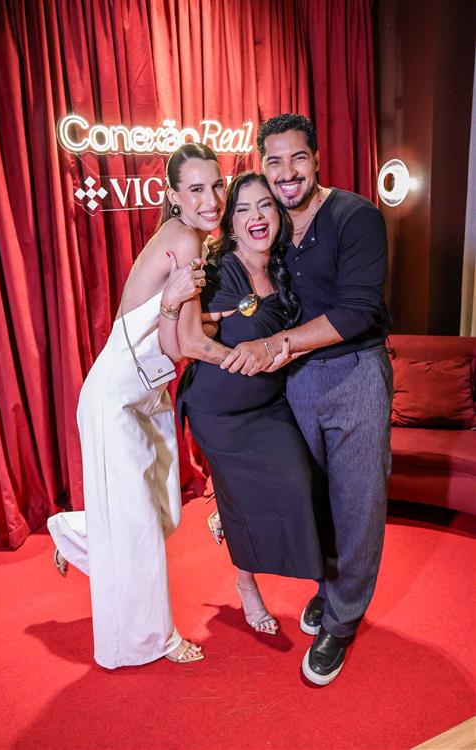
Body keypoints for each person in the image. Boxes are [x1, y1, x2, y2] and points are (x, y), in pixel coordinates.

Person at [220, 114, 393, 685]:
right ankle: (329, 587)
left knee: (358, 505)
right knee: (312, 498)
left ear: (316, 158)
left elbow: (357, 311)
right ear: (264, 167)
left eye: (298, 157)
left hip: (354, 374)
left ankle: (342, 621)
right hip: (293, 381)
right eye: (274, 161)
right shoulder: (271, 224)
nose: (287, 172)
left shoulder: (356, 216)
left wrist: (277, 344)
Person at [47, 143, 229, 669]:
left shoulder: (189, 238)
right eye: (196, 189)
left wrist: (216, 320)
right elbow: (181, 343)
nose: (212, 200)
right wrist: (250, 355)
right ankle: (153, 639)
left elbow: (176, 327)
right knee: (141, 525)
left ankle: (75, 531)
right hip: (116, 399)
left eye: (217, 185)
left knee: (159, 508)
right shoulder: (185, 241)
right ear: (174, 196)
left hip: (144, 394)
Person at [176, 171, 323, 635]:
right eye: (242, 209)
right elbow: (190, 336)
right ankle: (246, 584)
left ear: (278, 213)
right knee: (243, 497)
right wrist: (228, 348)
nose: (255, 216)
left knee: (298, 480)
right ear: (231, 222)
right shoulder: (220, 271)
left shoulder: (287, 267)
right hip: (217, 411)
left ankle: (228, 511)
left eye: (264, 205)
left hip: (268, 405)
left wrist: (279, 355)